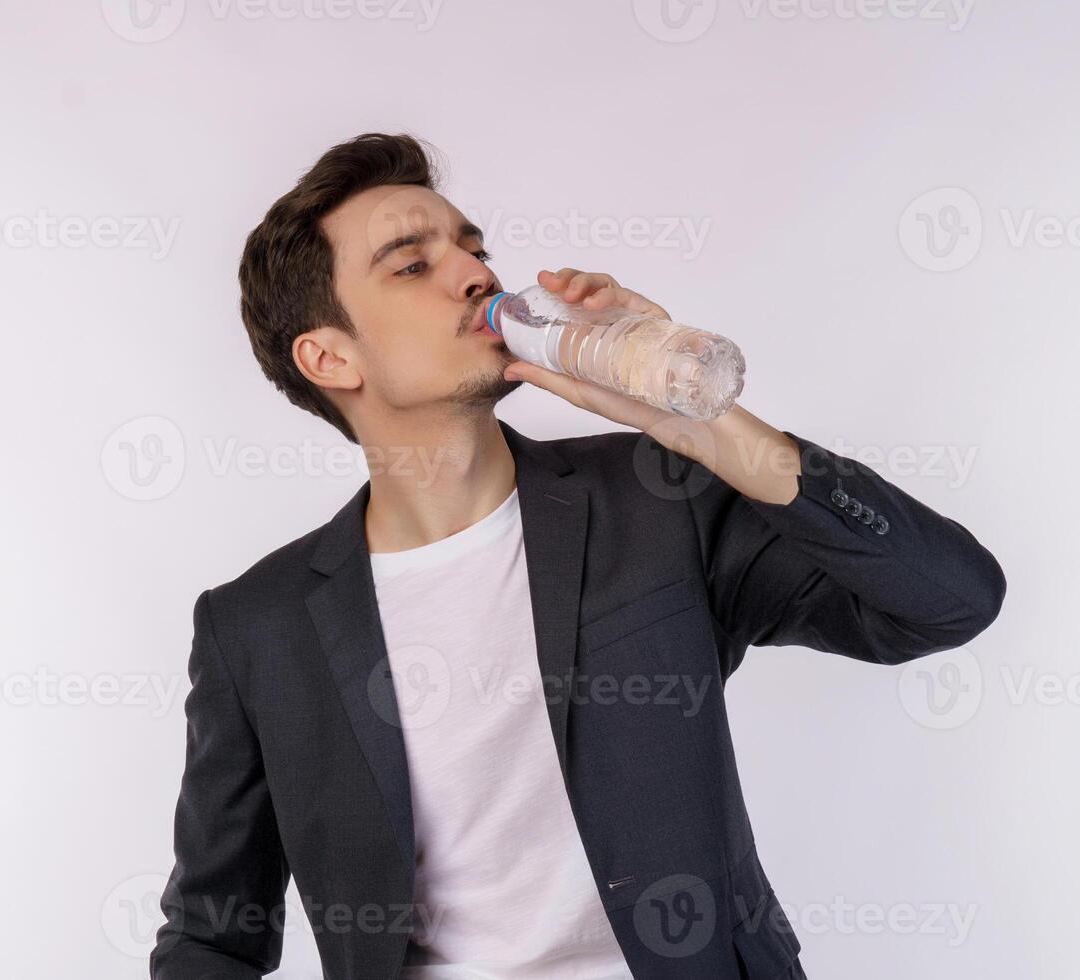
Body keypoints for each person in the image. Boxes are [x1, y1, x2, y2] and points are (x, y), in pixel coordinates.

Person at [150, 132, 1006, 980]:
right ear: (329, 356)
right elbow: (210, 938)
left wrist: (694, 421)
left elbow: (947, 599)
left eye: (474, 247)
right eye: (413, 265)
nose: (477, 274)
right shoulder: (256, 628)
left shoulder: (659, 500)